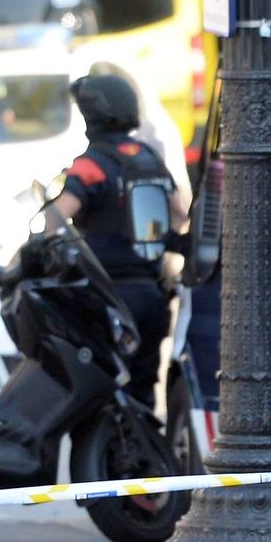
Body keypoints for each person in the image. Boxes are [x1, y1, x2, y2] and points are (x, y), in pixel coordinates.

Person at [43, 72, 188, 407]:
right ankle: (145, 453)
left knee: (105, 387)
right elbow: (179, 214)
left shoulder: (92, 164)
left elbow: (58, 216)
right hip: (153, 294)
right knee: (144, 386)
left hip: (108, 297)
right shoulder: (148, 157)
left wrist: (48, 241)